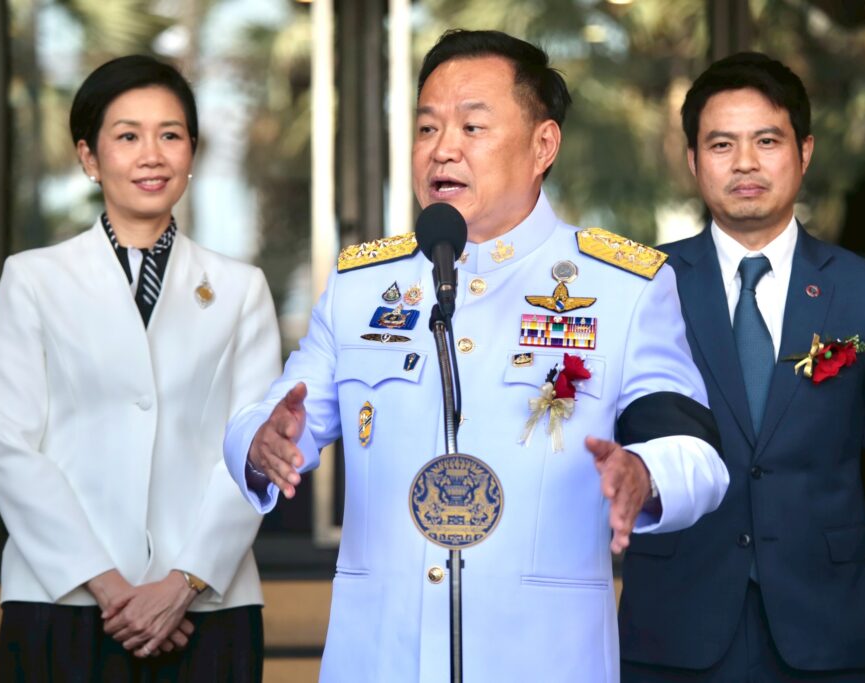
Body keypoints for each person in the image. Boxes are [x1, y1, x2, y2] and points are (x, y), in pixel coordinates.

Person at [224, 29, 729, 682]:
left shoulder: (621, 286)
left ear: (543, 145)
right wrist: (260, 444)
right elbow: (273, 416)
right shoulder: (361, 285)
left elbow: (696, 455)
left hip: (542, 661)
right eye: (427, 127)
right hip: (381, 659)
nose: (443, 148)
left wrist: (644, 473)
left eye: (472, 126)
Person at [618, 52, 865, 682]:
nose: (745, 163)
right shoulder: (641, 284)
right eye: (721, 144)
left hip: (822, 621)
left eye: (767, 141)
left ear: (804, 152)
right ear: (693, 159)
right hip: (677, 617)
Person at [0, 55, 279, 681]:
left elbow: (252, 453)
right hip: (60, 598)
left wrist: (181, 583)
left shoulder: (241, 288)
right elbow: (10, 447)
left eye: (170, 135)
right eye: (127, 136)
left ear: (191, 152)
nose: (152, 156)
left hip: (207, 604)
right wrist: (112, 589)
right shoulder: (33, 279)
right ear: (89, 158)